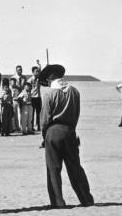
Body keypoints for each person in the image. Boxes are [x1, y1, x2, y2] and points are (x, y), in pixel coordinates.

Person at [36, 63, 95, 208]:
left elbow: (44, 120)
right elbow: (76, 114)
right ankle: (86, 199)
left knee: (54, 169)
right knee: (75, 167)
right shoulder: (74, 91)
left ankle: (58, 202)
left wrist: (44, 137)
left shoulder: (49, 94)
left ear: (50, 78)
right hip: (70, 131)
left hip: (53, 132)